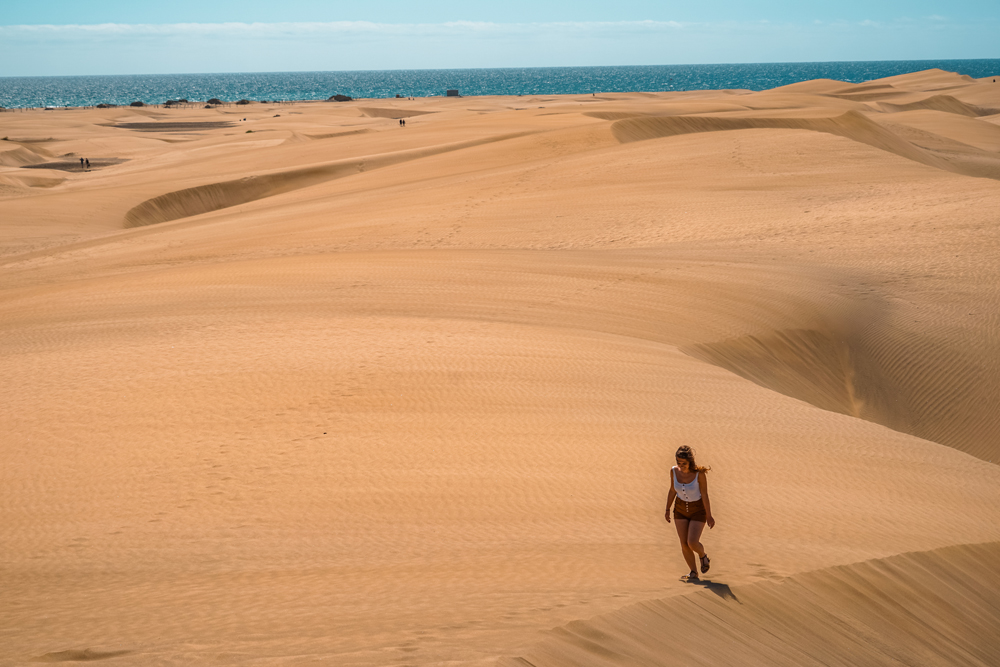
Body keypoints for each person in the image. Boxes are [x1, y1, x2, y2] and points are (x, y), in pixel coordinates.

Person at [664, 445, 714, 580]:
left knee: (692, 542)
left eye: (684, 463)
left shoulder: (700, 474)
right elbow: (672, 490)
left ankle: (703, 556)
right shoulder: (674, 471)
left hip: (698, 510)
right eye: (678, 462)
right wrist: (667, 509)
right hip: (679, 510)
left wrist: (709, 515)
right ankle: (693, 572)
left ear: (690, 462)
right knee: (684, 544)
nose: (681, 466)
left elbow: (704, 495)